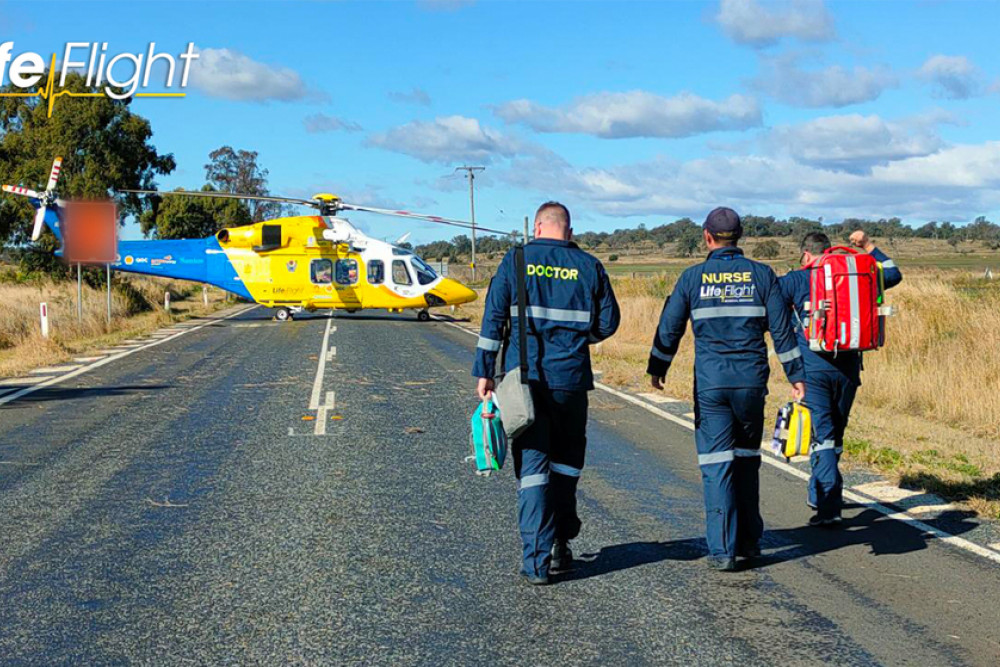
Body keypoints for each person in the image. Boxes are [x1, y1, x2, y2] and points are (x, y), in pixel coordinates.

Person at [647, 207, 805, 572]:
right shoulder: (763, 275)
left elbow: (670, 327)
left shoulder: (692, 278)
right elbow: (783, 331)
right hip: (751, 384)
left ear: (707, 237)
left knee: (717, 465)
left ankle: (722, 550)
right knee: (747, 462)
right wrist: (797, 374)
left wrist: (658, 367)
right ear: (740, 236)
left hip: (712, 386)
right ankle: (749, 543)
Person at [473, 201, 621, 586]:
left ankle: (536, 562)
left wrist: (484, 371)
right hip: (572, 380)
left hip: (528, 382)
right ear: (568, 231)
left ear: (537, 227)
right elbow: (609, 322)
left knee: (534, 471)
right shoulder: (589, 266)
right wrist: (576, 340)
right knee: (567, 465)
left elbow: (493, 318)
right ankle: (561, 539)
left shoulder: (517, 260)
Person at [778, 230, 902, 527]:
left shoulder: (798, 278)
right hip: (848, 368)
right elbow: (893, 273)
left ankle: (829, 507)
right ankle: (817, 493)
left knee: (823, 436)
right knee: (835, 434)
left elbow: (773, 309)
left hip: (813, 369)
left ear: (806, 255)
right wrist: (868, 245)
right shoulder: (859, 275)